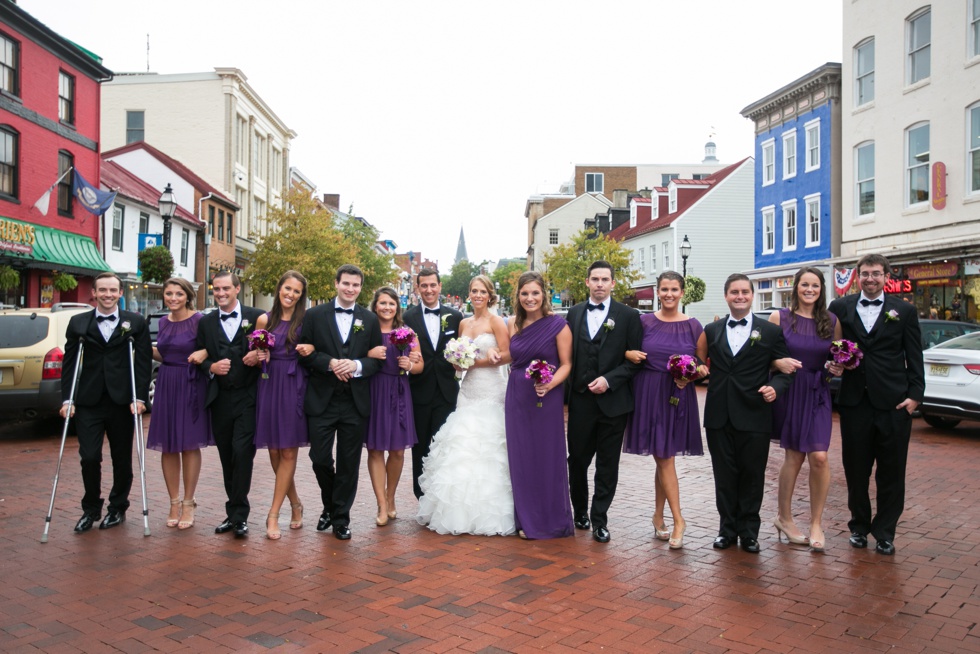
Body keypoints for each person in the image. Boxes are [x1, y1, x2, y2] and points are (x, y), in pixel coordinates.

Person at [828, 254, 924, 556]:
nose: (870, 279)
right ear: (857, 276)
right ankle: (858, 526)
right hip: (855, 402)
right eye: (865, 273)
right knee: (856, 469)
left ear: (886, 277)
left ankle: (885, 531)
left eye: (876, 274)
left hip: (894, 403)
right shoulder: (840, 307)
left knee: (892, 471)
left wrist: (915, 396)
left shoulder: (904, 311)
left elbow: (914, 355)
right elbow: (831, 347)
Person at [698, 273, 795, 553]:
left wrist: (775, 388)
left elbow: (785, 371)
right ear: (726, 296)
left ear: (752, 296)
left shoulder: (770, 331)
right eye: (734, 292)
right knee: (724, 475)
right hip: (719, 414)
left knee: (752, 475)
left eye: (744, 292)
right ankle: (726, 530)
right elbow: (698, 359)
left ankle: (749, 532)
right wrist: (695, 369)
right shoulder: (712, 330)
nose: (739, 297)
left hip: (754, 413)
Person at [416, 275, 514, 536]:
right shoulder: (463, 323)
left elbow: (507, 354)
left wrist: (480, 360)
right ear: (468, 294)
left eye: (482, 291)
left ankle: (490, 512)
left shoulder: (497, 321)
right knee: (463, 445)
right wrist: (458, 363)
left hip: (491, 389)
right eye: (474, 291)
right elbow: (459, 359)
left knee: (489, 448)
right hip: (468, 389)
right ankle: (457, 511)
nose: (478, 295)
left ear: (490, 295)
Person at [60, 272, 152, 533]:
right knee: (89, 457)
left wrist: (140, 397)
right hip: (89, 401)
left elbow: (143, 362)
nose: (108, 295)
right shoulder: (78, 323)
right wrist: (68, 399)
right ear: (94, 292)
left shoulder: (134, 323)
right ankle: (90, 509)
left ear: (121, 293)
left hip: (123, 401)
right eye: (103, 290)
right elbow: (69, 363)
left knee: (121, 458)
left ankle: (117, 507)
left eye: (113, 290)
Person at [298, 264, 383, 541]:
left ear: (361, 288)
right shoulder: (314, 315)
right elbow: (305, 353)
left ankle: (340, 519)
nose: (350, 289)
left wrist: (356, 365)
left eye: (356, 285)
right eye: (346, 283)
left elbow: (376, 360)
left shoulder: (369, 320)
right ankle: (330, 503)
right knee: (319, 458)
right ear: (336, 283)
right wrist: (330, 363)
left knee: (349, 463)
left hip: (354, 402)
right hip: (321, 399)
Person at [622, 271, 707, 550]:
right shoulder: (643, 322)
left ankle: (660, 516)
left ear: (682, 292)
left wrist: (691, 374)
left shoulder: (695, 326)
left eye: (674, 289)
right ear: (657, 292)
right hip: (648, 393)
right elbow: (624, 349)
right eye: (664, 289)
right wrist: (627, 354)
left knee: (664, 457)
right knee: (664, 456)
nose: (669, 294)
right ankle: (678, 520)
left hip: (678, 396)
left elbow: (704, 365)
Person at [565, 260, 642, 543]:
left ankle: (600, 520)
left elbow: (636, 360)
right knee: (577, 461)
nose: (599, 284)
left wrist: (609, 380)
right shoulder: (573, 314)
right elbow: (567, 357)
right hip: (581, 401)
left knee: (608, 464)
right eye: (594, 279)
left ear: (612, 283)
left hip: (614, 402)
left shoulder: (629, 316)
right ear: (587, 282)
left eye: (604, 279)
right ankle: (580, 513)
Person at [769, 267, 843, 552]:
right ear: (796, 287)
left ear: (821, 289)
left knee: (820, 457)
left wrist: (838, 367)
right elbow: (767, 355)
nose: (809, 289)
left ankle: (815, 523)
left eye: (814, 285)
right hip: (790, 390)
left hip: (818, 391)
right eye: (804, 285)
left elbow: (837, 358)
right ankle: (784, 518)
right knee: (794, 456)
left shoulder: (832, 321)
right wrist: (778, 364)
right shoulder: (780, 317)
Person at [505, 271, 574, 540]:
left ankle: (551, 520)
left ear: (543, 294)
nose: (530, 298)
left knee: (547, 455)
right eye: (524, 293)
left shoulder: (559, 325)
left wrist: (550, 384)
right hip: (518, 397)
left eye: (535, 293)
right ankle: (526, 519)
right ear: (518, 296)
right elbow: (511, 356)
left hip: (547, 397)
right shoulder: (513, 324)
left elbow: (566, 364)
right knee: (521, 458)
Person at [196, 272, 264, 538]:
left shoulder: (257, 316)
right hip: (220, 398)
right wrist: (210, 366)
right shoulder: (207, 322)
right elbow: (200, 353)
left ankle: (239, 515)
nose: (221, 293)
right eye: (216, 289)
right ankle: (233, 513)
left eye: (226, 288)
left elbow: (271, 348)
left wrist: (258, 355)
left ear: (237, 289)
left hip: (249, 396)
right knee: (227, 456)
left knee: (242, 452)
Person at [146, 277, 210, 530]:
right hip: (167, 383)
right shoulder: (162, 322)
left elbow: (211, 348)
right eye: (169, 293)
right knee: (168, 445)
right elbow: (165, 354)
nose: (173, 298)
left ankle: (188, 502)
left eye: (178, 294)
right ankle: (173, 502)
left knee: (188, 444)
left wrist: (204, 352)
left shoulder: (199, 321)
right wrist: (144, 348)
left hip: (191, 383)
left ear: (188, 296)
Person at [253, 271, 312, 540]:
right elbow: (254, 354)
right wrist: (257, 354)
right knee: (275, 452)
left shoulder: (307, 321)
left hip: (295, 385)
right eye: (287, 288)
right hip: (269, 384)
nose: (291, 294)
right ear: (279, 289)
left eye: (297, 291)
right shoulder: (265, 319)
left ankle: (273, 514)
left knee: (288, 452)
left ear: (302, 295)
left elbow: (317, 350)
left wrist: (310, 349)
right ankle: (295, 503)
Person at [402, 268, 464, 499]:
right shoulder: (407, 318)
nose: (429, 290)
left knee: (444, 445)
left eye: (432, 285)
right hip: (419, 389)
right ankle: (421, 495)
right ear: (418, 288)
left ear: (440, 287)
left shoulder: (456, 317)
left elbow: (462, 349)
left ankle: (442, 495)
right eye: (424, 286)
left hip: (447, 391)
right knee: (420, 448)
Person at [364, 287, 422, 527]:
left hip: (399, 391)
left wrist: (409, 364)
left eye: (392, 303)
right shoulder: (366, 330)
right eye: (383, 303)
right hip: (374, 390)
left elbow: (420, 366)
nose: (387, 307)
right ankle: (380, 503)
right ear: (375, 305)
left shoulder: (407, 333)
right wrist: (368, 352)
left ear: (397, 307)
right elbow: (355, 356)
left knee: (398, 450)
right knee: (376, 449)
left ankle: (391, 497)